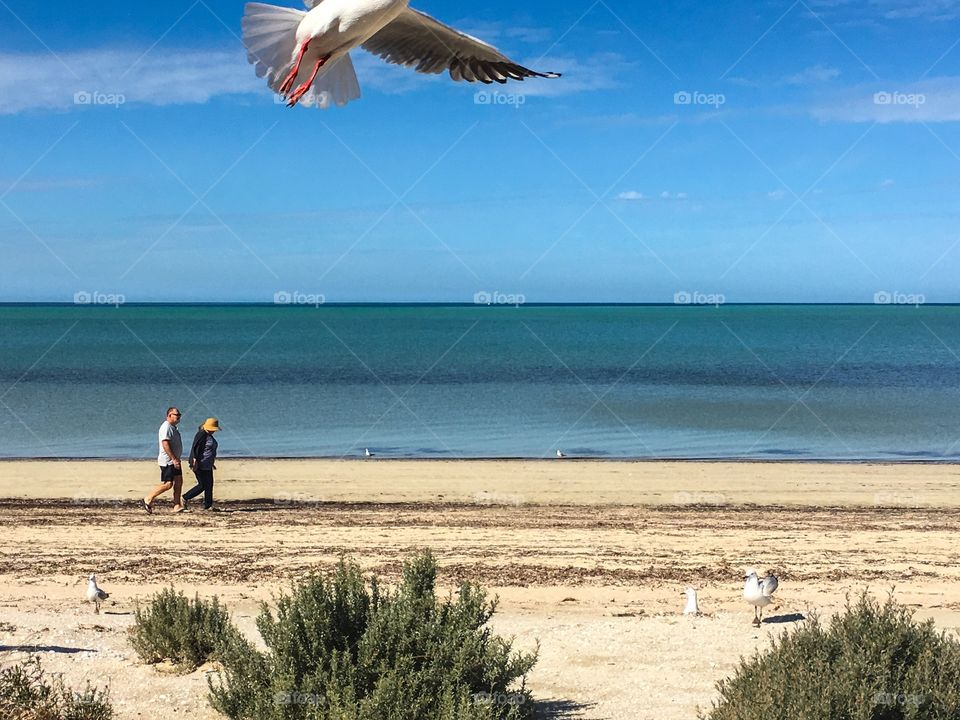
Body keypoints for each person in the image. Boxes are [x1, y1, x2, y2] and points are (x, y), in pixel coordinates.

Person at [142, 407, 184, 514]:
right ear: (169, 415)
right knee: (168, 484)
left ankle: (177, 505)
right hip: (168, 460)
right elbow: (165, 444)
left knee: (179, 481)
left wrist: (177, 458)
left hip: (175, 460)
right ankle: (148, 498)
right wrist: (173, 459)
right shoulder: (166, 427)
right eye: (176, 415)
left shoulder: (173, 427)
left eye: (179, 415)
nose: (179, 417)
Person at [184, 418, 220, 511]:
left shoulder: (209, 435)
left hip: (208, 464)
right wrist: (194, 460)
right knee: (203, 485)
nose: (214, 431)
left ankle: (208, 505)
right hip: (199, 464)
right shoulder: (201, 434)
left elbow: (209, 450)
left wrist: (212, 463)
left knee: (209, 485)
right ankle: (185, 497)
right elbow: (195, 447)